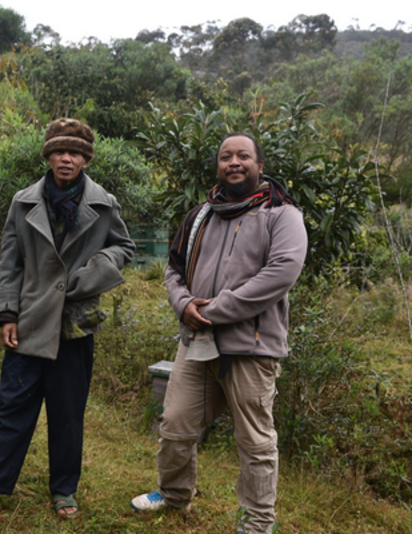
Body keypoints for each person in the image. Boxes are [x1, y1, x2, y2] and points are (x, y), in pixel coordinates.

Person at [0, 118, 135, 518]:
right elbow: (10, 262)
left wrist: (96, 270)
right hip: (29, 319)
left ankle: (64, 490)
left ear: (86, 159)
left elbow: (123, 247)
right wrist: (6, 313)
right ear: (48, 156)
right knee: (12, 406)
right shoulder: (24, 201)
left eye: (75, 153)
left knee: (68, 412)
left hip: (76, 322)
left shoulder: (104, 203)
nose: (66, 159)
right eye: (59, 152)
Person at [130, 133, 307, 534]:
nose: (234, 162)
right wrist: (183, 304)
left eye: (243, 156)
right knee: (175, 424)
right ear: (218, 166)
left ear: (260, 165)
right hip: (196, 342)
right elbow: (174, 270)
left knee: (255, 442)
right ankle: (174, 495)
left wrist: (214, 310)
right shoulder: (200, 216)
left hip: (253, 348)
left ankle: (257, 523)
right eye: (226, 156)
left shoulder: (282, 215)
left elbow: (280, 274)